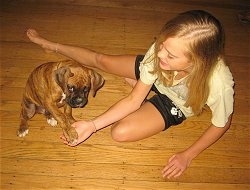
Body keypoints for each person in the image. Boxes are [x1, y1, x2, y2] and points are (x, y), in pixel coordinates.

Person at [26, 10, 234, 179]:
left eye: (170, 54)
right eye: (161, 45)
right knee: (103, 61)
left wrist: (188, 155)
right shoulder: (160, 55)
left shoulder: (219, 83)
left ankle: (146, 89)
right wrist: (92, 125)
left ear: (197, 61)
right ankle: (51, 44)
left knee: (120, 133)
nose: (158, 52)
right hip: (160, 74)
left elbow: (222, 123)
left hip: (176, 102)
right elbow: (133, 99)